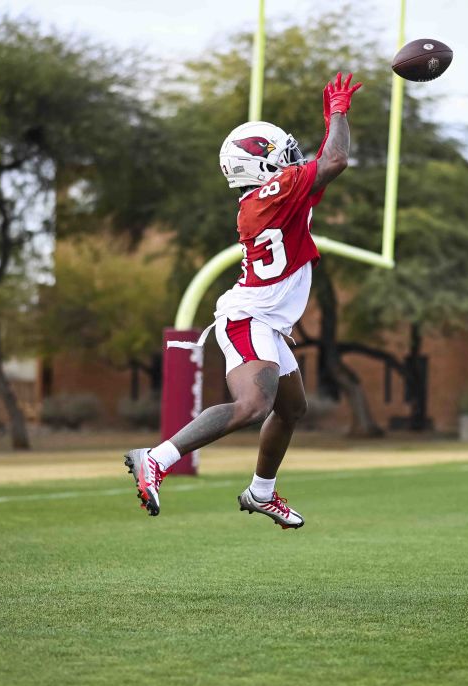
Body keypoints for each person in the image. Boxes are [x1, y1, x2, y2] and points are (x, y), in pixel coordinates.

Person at [124, 72, 362, 529]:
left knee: (291, 408)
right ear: (261, 166)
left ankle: (261, 492)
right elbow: (335, 160)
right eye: (280, 155)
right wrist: (337, 110)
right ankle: (156, 457)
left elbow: (321, 166)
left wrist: (329, 123)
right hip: (248, 316)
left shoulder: (272, 195)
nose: (292, 160)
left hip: (268, 320)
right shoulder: (273, 195)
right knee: (254, 405)